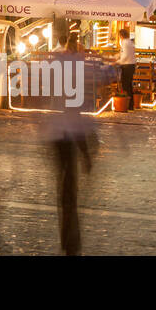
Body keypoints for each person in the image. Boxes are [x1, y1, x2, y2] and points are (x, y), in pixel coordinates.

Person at [45, 30, 94, 255]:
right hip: (66, 134)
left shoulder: (59, 63)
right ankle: (71, 243)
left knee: (65, 190)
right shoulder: (73, 71)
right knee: (69, 191)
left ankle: (68, 240)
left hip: (56, 134)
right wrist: (85, 152)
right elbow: (75, 113)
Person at [116, 27, 137, 106]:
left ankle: (127, 104)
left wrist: (117, 62)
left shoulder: (124, 42)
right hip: (131, 65)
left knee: (125, 85)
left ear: (121, 35)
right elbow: (123, 53)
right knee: (129, 85)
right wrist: (116, 57)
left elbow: (125, 55)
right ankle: (131, 104)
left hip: (127, 66)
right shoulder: (130, 42)